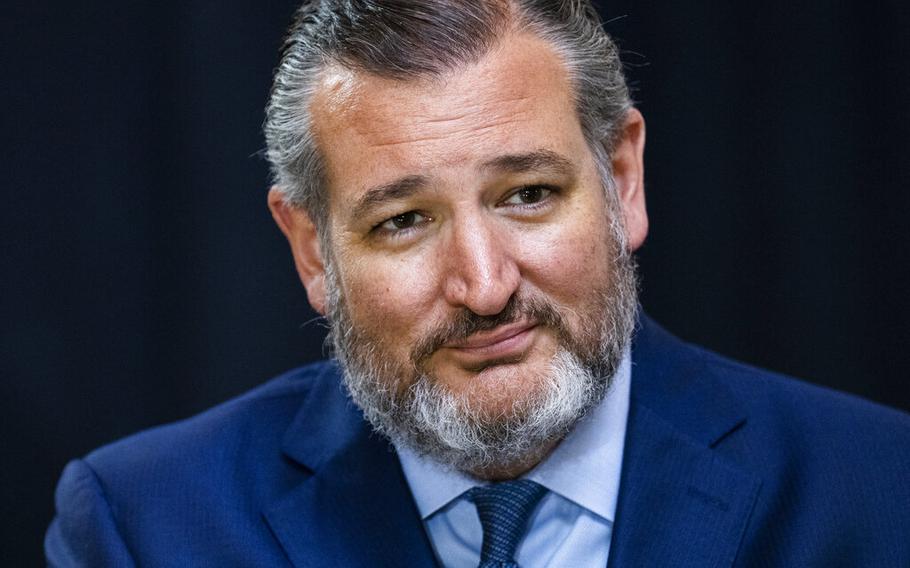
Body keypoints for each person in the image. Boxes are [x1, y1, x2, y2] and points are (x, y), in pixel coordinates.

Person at [46, 1, 910, 566]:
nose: (486, 285)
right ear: (313, 252)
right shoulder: (143, 527)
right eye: (403, 221)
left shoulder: (880, 493)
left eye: (528, 195)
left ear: (622, 180)